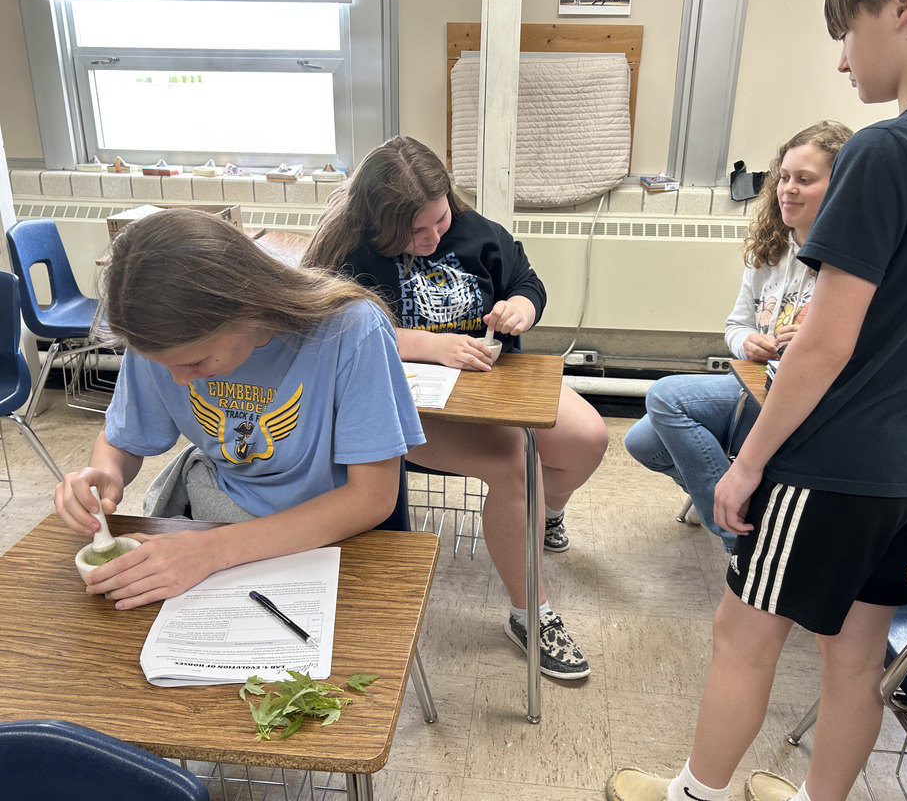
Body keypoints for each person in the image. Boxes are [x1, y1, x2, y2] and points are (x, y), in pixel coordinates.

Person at [607, 0, 907, 801]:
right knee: (859, 654)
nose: (842, 61)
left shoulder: (888, 148)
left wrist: (747, 461)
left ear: (901, 3)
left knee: (742, 634)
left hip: (835, 466)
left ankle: (698, 792)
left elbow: (824, 344)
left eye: (847, 31)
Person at [304, 135, 609, 680]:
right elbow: (326, 327)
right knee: (518, 466)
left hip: (487, 385)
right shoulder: (349, 252)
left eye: (438, 222)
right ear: (378, 223)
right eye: (412, 233)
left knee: (588, 438)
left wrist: (521, 309)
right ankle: (528, 612)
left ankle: (547, 513)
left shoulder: (477, 232)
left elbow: (527, 282)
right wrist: (427, 344)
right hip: (404, 406)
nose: (429, 239)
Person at [54, 208, 425, 611]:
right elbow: (122, 439)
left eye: (196, 363)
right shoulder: (161, 341)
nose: (181, 381)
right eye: (165, 366)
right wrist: (105, 473)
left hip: (333, 539)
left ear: (248, 308)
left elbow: (371, 499)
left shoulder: (351, 331)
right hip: (221, 520)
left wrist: (210, 551)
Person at [624, 120, 852, 554]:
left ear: (841, 187)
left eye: (805, 180)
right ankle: (748, 518)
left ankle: (736, 540)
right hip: (754, 381)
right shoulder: (772, 248)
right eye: (783, 177)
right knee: (642, 442)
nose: (788, 189)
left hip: (798, 401)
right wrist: (748, 343)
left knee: (668, 397)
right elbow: (736, 326)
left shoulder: (849, 265)